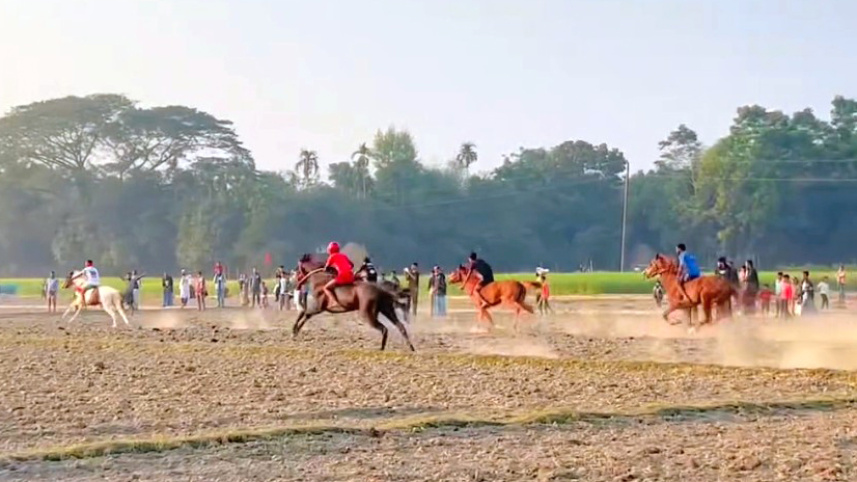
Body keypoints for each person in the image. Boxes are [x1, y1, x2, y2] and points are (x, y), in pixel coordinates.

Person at [323, 241, 355, 310]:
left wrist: (333, 270)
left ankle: (335, 302)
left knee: (326, 288)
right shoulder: (344, 255)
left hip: (342, 276)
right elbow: (352, 265)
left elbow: (326, 268)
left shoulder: (332, 256)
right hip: (351, 276)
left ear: (329, 250)